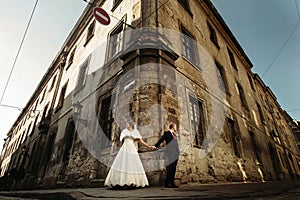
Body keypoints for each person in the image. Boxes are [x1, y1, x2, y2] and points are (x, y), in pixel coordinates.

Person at [104, 121, 156, 188]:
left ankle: (132, 182)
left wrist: (149, 146)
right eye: (126, 124)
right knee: (122, 163)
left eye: (127, 124)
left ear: (131, 125)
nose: (126, 125)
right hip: (124, 148)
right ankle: (120, 181)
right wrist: (120, 149)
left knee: (132, 163)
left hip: (131, 148)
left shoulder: (135, 132)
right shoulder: (124, 131)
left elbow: (140, 141)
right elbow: (122, 142)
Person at [154, 123, 179, 188]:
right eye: (175, 127)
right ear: (173, 127)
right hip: (170, 152)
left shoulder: (174, 134)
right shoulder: (167, 133)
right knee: (170, 167)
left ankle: (172, 183)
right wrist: (155, 146)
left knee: (174, 168)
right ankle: (167, 183)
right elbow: (161, 140)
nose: (176, 128)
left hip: (176, 153)